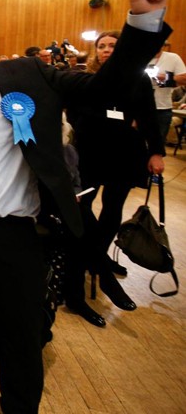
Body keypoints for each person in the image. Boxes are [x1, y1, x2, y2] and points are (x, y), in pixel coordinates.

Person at [0, 0, 172, 414]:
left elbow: (104, 88)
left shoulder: (28, 76)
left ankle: (20, 401)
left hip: (13, 228)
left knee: (20, 322)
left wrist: (142, 21)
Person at [63, 30, 165, 326]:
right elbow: (75, 113)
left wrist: (156, 152)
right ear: (96, 51)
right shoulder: (86, 77)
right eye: (102, 46)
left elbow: (148, 117)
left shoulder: (138, 79)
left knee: (112, 213)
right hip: (90, 153)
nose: (107, 50)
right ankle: (100, 271)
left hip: (124, 153)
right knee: (81, 214)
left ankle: (96, 260)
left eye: (113, 46)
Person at [146, 43, 186, 140]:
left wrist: (165, 77)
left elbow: (184, 79)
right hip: (138, 107)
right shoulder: (136, 56)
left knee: (158, 144)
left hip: (162, 108)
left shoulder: (172, 58)